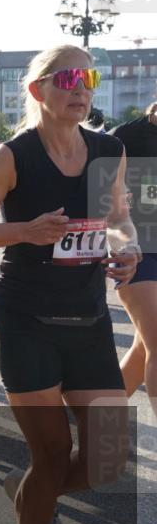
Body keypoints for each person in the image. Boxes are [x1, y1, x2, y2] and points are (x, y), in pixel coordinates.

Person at [0, 45, 136, 524]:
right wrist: (25, 232)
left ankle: (33, 491)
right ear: (39, 90)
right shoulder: (15, 154)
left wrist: (126, 245)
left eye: (89, 77)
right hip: (26, 318)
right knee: (51, 454)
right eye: (69, 77)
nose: (81, 88)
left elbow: (119, 217)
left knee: (107, 460)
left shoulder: (107, 150)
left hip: (89, 320)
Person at [109, 100, 157, 416]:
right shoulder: (123, 139)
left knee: (144, 349)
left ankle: (94, 420)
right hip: (137, 251)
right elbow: (103, 206)